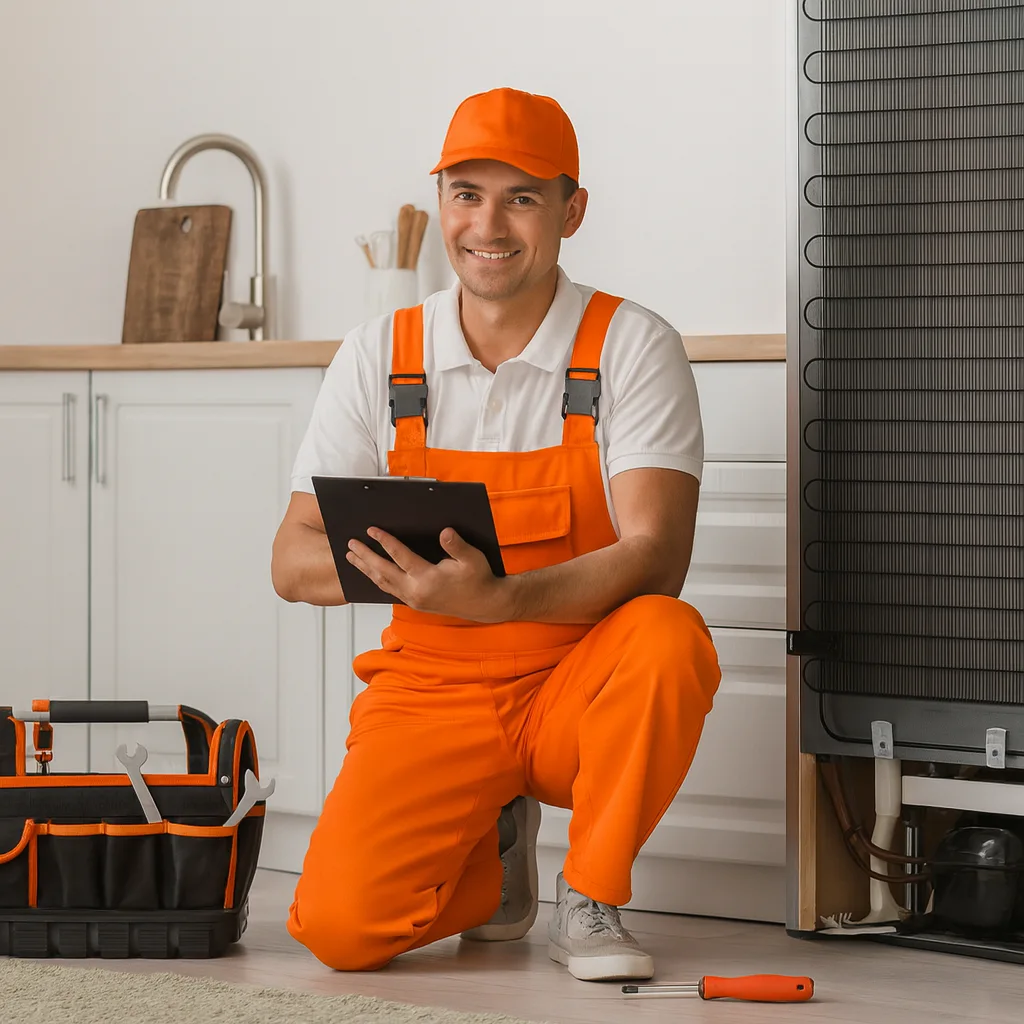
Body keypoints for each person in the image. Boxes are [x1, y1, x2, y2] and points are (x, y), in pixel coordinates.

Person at [271, 87, 722, 982]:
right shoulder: (379, 353)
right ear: (441, 202)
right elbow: (291, 560)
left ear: (571, 210)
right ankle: (493, 847)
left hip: (577, 681)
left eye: (522, 196)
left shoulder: (631, 346)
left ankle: (592, 895)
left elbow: (655, 559)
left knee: (670, 637)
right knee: (338, 933)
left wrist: (500, 598)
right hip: (433, 686)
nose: (489, 222)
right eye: (468, 193)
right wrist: (418, 585)